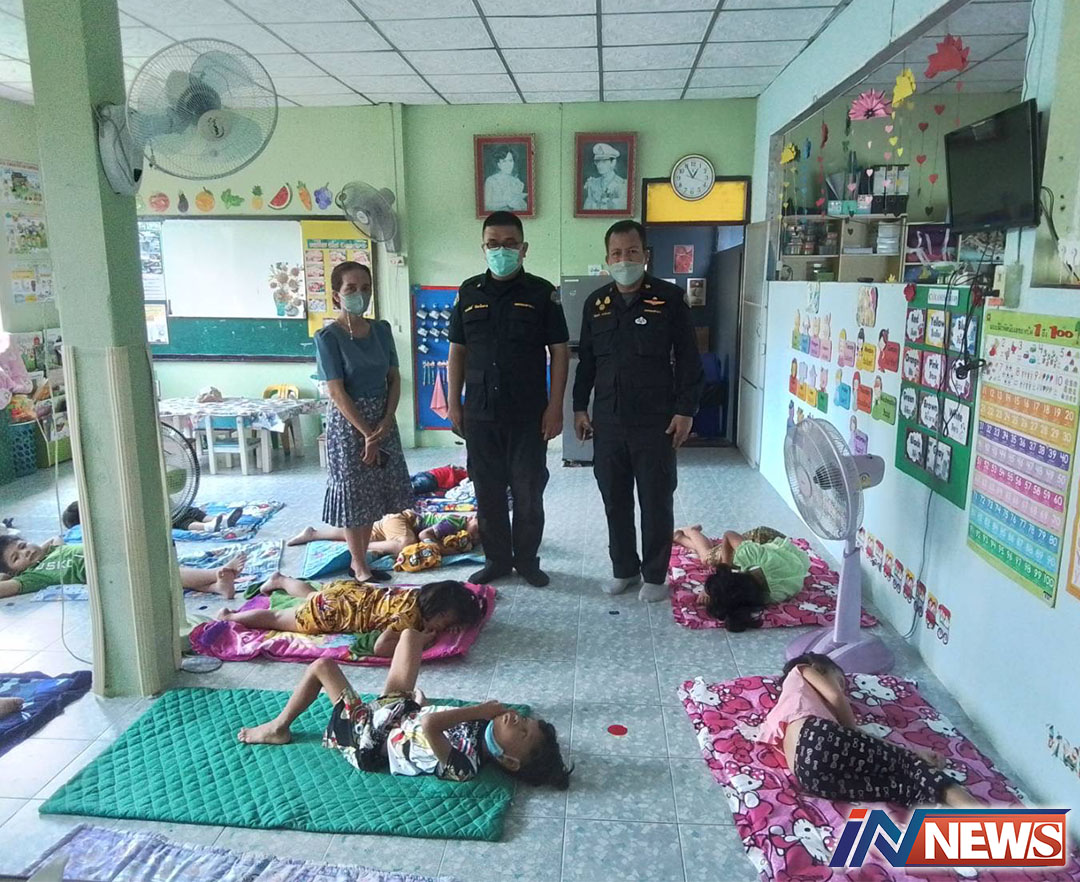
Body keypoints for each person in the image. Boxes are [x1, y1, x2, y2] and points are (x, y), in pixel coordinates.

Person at [236, 628, 572, 790]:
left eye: (521, 732)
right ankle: (388, 644)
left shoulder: (465, 765)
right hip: (398, 716)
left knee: (323, 667)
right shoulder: (477, 728)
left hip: (369, 739)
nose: (516, 719)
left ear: (509, 759)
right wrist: (420, 707)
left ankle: (278, 728)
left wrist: (477, 710)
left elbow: (431, 727)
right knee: (410, 636)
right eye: (524, 720)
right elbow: (427, 721)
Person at [573, 220, 703, 602]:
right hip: (608, 422)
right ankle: (624, 570)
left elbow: (689, 359)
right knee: (614, 499)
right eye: (616, 253)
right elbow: (587, 362)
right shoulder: (596, 304)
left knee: (655, 500)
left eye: (631, 252)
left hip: (655, 422)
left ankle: (655, 576)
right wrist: (579, 407)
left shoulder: (669, 298)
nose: (624, 259)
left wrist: (685, 411)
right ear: (607, 258)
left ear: (645, 255)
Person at [447, 212, 570, 587]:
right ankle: (497, 560)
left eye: (510, 244)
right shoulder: (469, 292)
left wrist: (555, 406)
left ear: (524, 248)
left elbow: (560, 351)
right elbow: (457, 351)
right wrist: (453, 403)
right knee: (487, 491)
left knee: (528, 491)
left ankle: (527, 560)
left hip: (527, 413)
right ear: (484, 248)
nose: (502, 250)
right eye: (494, 244)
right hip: (480, 412)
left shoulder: (541, 293)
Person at [759, 653, 979, 808]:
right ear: (819, 668)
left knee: (900, 787)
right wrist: (852, 729)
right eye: (840, 681)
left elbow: (864, 749)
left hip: (809, 777)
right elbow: (835, 697)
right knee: (913, 767)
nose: (843, 690)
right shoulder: (802, 669)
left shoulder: (779, 712)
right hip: (817, 738)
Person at [315, 261, 414, 583]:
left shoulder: (381, 330)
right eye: (351, 289)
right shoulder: (328, 336)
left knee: (374, 490)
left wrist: (386, 420)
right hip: (349, 424)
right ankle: (358, 564)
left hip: (382, 418)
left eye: (366, 288)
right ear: (336, 295)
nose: (360, 294)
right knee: (353, 493)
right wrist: (367, 433)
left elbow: (394, 378)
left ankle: (364, 559)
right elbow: (336, 390)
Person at [218, 577, 482, 657]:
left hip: (348, 591)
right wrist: (421, 641)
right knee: (277, 617)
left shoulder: (414, 595)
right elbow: (381, 647)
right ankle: (231, 616)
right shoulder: (407, 619)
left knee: (312, 595)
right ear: (439, 613)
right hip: (330, 613)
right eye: (446, 623)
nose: (445, 629)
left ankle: (281, 581)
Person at [0, 535, 246, 599]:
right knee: (160, 573)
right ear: (14, 571)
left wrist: (40, 550)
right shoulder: (32, 576)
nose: (25, 552)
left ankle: (216, 587)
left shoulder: (53, 549)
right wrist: (5, 577)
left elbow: (55, 538)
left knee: (162, 573)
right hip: (106, 571)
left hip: (112, 555)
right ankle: (217, 573)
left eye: (23, 545)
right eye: (16, 557)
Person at [673, 525, 811, 631]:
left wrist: (714, 586)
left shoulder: (772, 595)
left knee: (708, 559)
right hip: (770, 543)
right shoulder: (752, 557)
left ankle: (690, 532)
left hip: (775, 547)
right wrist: (724, 569)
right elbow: (729, 534)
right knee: (714, 558)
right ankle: (685, 535)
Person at [288, 511, 481, 560]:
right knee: (406, 545)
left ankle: (313, 534)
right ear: (471, 517)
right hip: (403, 519)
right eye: (477, 529)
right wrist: (443, 549)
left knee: (365, 534)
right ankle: (358, 548)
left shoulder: (465, 533)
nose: (476, 536)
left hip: (395, 524)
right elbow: (425, 534)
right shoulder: (455, 522)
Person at [62, 500, 242, 534]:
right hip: (152, 516)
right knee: (180, 521)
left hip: (160, 507)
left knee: (189, 511)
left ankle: (218, 520)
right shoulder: (104, 520)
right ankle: (207, 526)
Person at [582, 143, 627, 211]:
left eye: (604, 161)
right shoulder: (592, 184)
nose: (599, 165)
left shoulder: (622, 185)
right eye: (597, 161)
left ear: (613, 162)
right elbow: (586, 209)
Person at [484, 149, 528, 213]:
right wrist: (508, 203)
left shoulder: (516, 181)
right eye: (504, 161)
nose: (508, 165)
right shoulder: (491, 181)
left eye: (510, 161)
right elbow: (487, 205)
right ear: (499, 164)